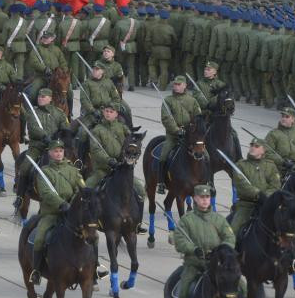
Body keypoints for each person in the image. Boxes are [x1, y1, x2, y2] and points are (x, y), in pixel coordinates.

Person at [172, 184, 236, 298]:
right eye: (202, 197)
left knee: (240, 285)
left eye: (207, 197)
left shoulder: (218, 219)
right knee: (184, 288)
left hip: (216, 265)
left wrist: (221, 250)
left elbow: (230, 238)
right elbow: (179, 241)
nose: (205, 200)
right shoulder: (187, 220)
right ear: (195, 198)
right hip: (194, 264)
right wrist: (194, 250)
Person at [29, 139, 87, 285]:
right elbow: (46, 193)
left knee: (92, 236)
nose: (59, 153)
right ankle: (36, 271)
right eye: (55, 151)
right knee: (40, 238)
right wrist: (61, 204)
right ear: (50, 153)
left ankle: (95, 267)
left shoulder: (73, 170)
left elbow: (81, 190)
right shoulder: (44, 172)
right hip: (52, 213)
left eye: (61, 151)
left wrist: (72, 204)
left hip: (72, 214)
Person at [85, 103, 146, 234]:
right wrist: (108, 160)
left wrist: (134, 147)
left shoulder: (122, 128)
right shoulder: (97, 130)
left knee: (140, 191)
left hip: (121, 169)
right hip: (103, 170)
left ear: (116, 114)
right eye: (106, 111)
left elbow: (131, 143)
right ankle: (88, 222)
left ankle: (138, 223)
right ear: (103, 112)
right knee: (87, 189)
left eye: (111, 111)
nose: (108, 113)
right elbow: (96, 150)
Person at [16, 88, 70, 205]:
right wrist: (44, 136)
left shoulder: (59, 113)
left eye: (43, 97)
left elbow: (65, 128)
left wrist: (63, 136)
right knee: (25, 167)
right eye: (39, 96)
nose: (40, 99)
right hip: (37, 146)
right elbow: (33, 128)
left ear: (50, 99)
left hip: (56, 146)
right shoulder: (33, 113)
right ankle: (20, 197)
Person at [157, 76, 202, 194]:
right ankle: (161, 182)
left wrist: (193, 129)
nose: (175, 86)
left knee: (205, 155)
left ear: (184, 85)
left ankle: (208, 180)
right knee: (164, 155)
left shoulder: (192, 101)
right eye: (174, 84)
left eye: (178, 84)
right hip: (173, 135)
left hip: (190, 136)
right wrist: (177, 130)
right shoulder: (168, 100)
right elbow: (166, 118)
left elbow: (198, 118)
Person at [229, 137, 280, 234]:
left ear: (263, 150)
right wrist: (257, 194)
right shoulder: (240, 165)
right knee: (233, 232)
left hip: (266, 204)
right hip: (246, 206)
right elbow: (241, 185)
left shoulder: (271, 166)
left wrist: (266, 196)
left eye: (256, 146)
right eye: (251, 145)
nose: (253, 148)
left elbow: (275, 186)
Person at [264, 108, 295, 177]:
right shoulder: (273, 134)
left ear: (293, 119)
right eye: (282, 116)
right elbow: (267, 152)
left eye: (287, 117)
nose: (283, 119)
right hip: (279, 169)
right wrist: (282, 162)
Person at [25, 31, 68, 103]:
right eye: (44, 38)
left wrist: (63, 72)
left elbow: (63, 62)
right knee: (33, 92)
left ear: (52, 39)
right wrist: (44, 69)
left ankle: (72, 109)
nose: (45, 39)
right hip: (41, 76)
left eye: (47, 38)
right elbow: (33, 62)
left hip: (57, 77)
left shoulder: (57, 49)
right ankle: (33, 107)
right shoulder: (36, 49)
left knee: (70, 92)